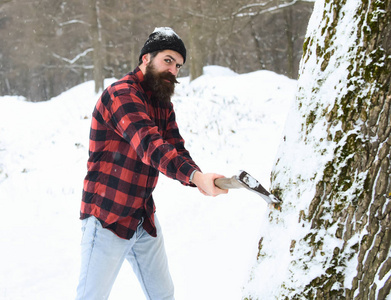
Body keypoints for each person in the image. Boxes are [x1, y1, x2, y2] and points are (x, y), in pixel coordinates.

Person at [76, 27, 228, 300]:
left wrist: (199, 177)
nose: (173, 70)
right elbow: (151, 146)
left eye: (178, 65)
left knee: (163, 294)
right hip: (107, 217)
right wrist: (194, 177)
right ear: (146, 58)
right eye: (167, 60)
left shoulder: (162, 103)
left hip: (142, 216)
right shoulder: (121, 94)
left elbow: (175, 148)